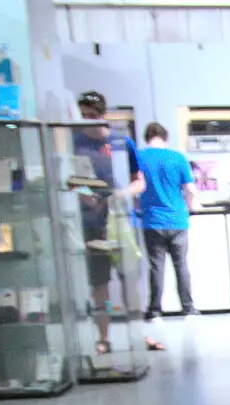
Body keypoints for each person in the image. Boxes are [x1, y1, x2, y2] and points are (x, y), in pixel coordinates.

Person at [74, 91, 162, 353]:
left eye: (92, 116)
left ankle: (139, 332)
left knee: (130, 278)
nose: (87, 121)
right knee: (99, 282)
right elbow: (71, 182)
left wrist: (119, 196)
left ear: (102, 115)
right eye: (83, 116)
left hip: (122, 222)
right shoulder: (75, 143)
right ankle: (103, 337)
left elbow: (139, 182)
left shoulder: (122, 143)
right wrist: (85, 196)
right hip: (91, 222)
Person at [135, 122, 197, 321]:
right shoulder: (177, 157)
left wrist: (139, 208)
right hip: (177, 220)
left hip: (152, 221)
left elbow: (136, 189)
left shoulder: (139, 157)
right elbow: (191, 190)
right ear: (166, 137)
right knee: (181, 266)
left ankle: (154, 311)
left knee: (156, 267)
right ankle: (188, 310)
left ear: (146, 137)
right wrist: (192, 208)